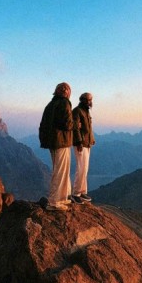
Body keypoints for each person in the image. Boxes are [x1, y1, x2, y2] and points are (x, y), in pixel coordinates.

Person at [39, 82, 74, 211]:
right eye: (68, 91)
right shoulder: (65, 103)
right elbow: (67, 124)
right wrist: (76, 124)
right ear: (67, 92)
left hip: (52, 142)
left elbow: (44, 125)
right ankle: (54, 202)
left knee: (59, 169)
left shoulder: (50, 104)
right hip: (61, 142)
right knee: (60, 171)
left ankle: (62, 198)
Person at [70, 92, 95, 203]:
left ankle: (82, 191)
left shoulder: (86, 112)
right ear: (83, 100)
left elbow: (87, 129)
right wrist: (79, 141)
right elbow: (76, 128)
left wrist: (91, 140)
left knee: (85, 168)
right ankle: (76, 193)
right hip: (80, 144)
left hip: (87, 143)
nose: (91, 102)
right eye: (89, 100)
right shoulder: (77, 111)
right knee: (81, 168)